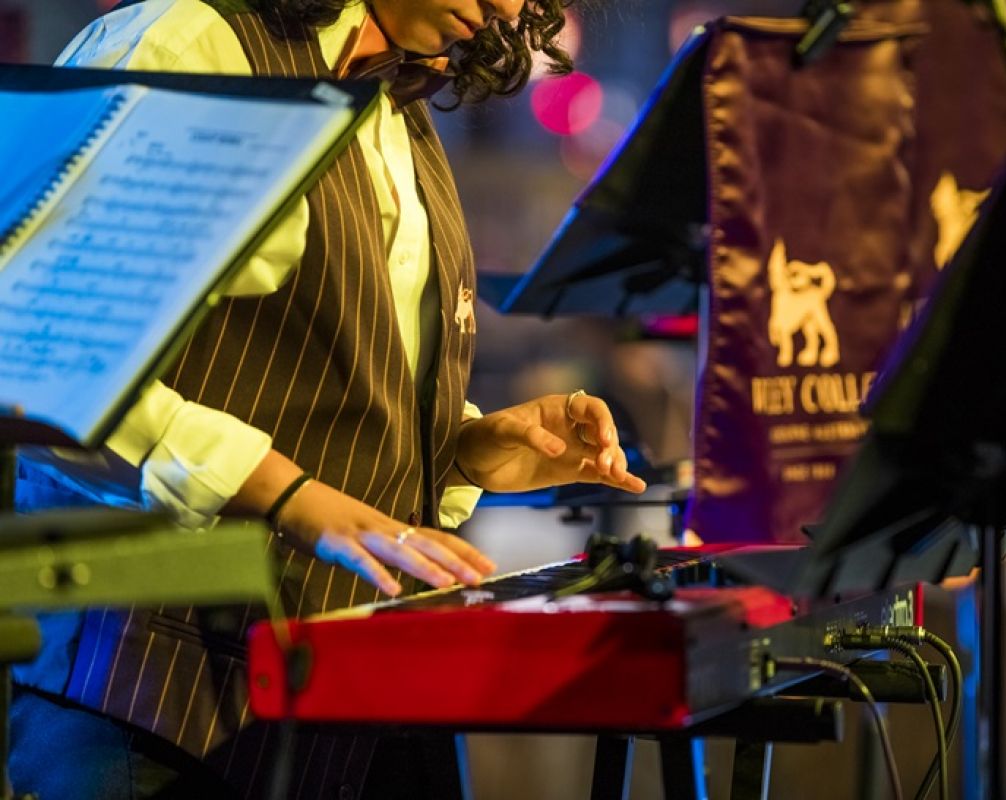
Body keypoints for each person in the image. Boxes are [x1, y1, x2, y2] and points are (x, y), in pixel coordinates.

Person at [9, 0, 646, 797]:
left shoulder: (399, 101)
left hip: (359, 699)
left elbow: (312, 365)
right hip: (160, 697)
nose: (509, 9)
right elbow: (35, 360)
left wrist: (459, 448)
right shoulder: (191, 40)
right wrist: (291, 496)